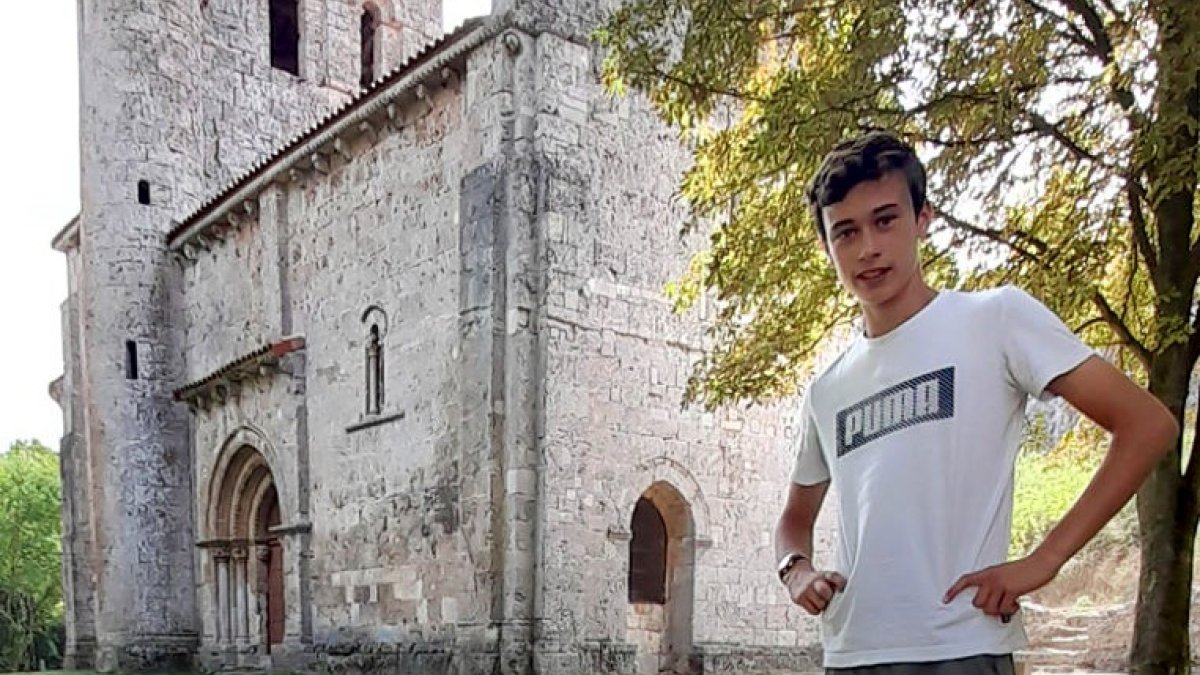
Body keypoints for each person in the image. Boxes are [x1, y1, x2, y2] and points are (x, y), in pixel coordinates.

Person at [773, 130, 1179, 674]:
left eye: (886, 220)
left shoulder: (996, 319)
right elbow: (794, 519)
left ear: (923, 219)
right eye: (845, 232)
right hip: (854, 651)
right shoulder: (828, 387)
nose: (868, 247)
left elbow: (1147, 425)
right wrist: (796, 570)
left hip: (962, 645)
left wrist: (1046, 560)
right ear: (826, 247)